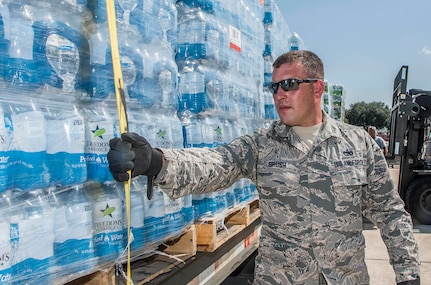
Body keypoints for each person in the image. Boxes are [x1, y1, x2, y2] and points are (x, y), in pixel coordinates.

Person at [107, 50, 420, 284]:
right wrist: (158, 162)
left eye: (290, 84)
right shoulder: (261, 145)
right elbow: (215, 164)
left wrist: (408, 273)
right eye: (275, 87)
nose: (280, 94)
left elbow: (389, 212)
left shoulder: (358, 144)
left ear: (317, 88)